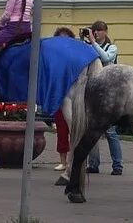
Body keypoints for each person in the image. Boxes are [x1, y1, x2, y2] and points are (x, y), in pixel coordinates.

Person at [85, 20, 124, 176]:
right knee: (91, 129)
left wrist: (93, 43)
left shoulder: (112, 47)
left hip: (110, 92)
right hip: (94, 90)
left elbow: (106, 58)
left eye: (99, 30)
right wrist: (87, 43)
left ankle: (118, 165)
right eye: (95, 30)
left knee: (110, 131)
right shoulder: (90, 46)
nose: (97, 33)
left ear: (105, 32)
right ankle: (93, 164)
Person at [52, 26, 79, 172]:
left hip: (75, 96)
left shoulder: (75, 55)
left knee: (75, 129)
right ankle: (63, 161)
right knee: (61, 130)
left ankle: (74, 160)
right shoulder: (55, 57)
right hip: (60, 97)